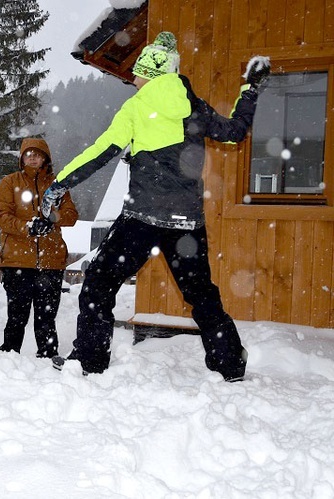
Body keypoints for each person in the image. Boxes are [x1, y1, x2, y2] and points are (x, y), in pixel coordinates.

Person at [42, 32, 270, 382]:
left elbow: (100, 153)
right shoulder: (191, 104)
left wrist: (60, 184)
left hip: (142, 219)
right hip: (187, 222)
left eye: (137, 73)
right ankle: (230, 364)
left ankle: (89, 359)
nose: (133, 80)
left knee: (100, 282)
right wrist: (250, 89)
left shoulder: (135, 108)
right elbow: (234, 132)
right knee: (201, 293)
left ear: (149, 73)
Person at [0, 138, 78, 358]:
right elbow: (2, 217)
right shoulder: (9, 183)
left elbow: (71, 216)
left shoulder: (57, 185)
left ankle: (49, 356)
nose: (32, 157)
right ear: (22, 157)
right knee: (16, 316)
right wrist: (28, 227)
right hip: (17, 261)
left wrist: (52, 218)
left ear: (45, 159)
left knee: (47, 317)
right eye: (28, 153)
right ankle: (8, 357)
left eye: (37, 154)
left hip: (51, 262)